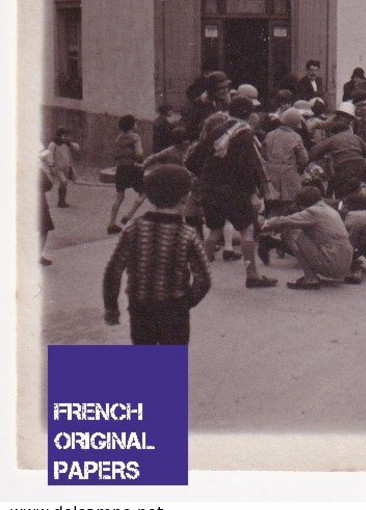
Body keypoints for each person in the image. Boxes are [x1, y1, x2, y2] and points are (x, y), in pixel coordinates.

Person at [101, 165, 210, 344]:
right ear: (184, 198)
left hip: (140, 308)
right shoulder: (187, 234)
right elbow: (204, 278)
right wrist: (187, 303)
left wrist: (111, 307)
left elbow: (113, 269)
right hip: (175, 311)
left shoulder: (133, 228)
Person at [186, 96, 277, 288]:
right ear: (249, 114)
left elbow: (191, 162)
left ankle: (198, 276)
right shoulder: (244, 134)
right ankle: (252, 275)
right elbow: (247, 166)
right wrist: (252, 192)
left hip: (210, 190)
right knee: (248, 230)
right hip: (235, 191)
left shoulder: (216, 131)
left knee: (214, 231)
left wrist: (209, 176)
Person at [258, 186, 361, 289]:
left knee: (290, 231)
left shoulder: (313, 211)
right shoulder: (330, 210)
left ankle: (310, 278)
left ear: (303, 205)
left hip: (331, 263)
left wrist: (265, 223)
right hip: (345, 264)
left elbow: (285, 221)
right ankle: (314, 276)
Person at [309, 103, 366, 198]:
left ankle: (343, 207)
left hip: (342, 166)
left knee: (341, 192)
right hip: (359, 165)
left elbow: (313, 152)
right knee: (355, 189)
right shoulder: (354, 136)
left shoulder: (333, 138)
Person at [261, 109, 310, 222]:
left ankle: (269, 231)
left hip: (270, 175)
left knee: (272, 207)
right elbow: (304, 159)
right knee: (290, 209)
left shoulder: (270, 134)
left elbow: (263, 155)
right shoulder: (296, 137)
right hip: (289, 176)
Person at [107, 115, 149, 233]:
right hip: (133, 167)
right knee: (144, 192)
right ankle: (129, 215)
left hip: (121, 168)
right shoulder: (135, 137)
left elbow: (116, 154)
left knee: (119, 196)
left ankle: (111, 223)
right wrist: (141, 162)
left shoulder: (118, 138)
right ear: (132, 125)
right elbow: (139, 153)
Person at [45, 127, 79, 208]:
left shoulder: (66, 144)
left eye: (65, 136)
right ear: (58, 136)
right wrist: (51, 165)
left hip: (66, 167)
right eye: (63, 136)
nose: (64, 138)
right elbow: (49, 155)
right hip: (57, 167)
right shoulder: (53, 144)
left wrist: (70, 143)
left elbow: (77, 148)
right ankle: (60, 201)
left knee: (64, 184)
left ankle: (62, 201)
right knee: (63, 182)